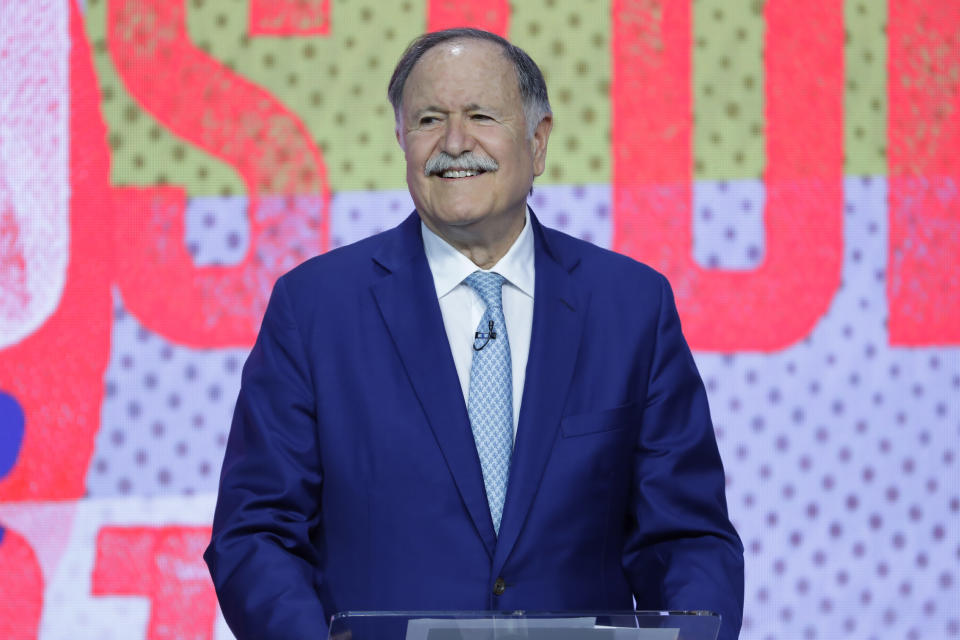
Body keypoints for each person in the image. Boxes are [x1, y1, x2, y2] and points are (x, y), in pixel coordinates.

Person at [205, 28, 744, 640]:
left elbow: (687, 538)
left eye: (482, 116)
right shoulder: (315, 309)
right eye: (430, 119)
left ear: (538, 143)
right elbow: (255, 534)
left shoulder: (630, 305)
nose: (455, 143)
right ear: (403, 140)